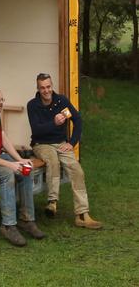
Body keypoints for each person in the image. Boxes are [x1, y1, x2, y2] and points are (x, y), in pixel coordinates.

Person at [27, 73, 102, 229]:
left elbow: (78, 120)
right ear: (38, 88)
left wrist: (72, 142)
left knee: (77, 170)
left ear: (52, 85)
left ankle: (82, 215)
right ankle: (52, 202)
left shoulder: (62, 101)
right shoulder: (33, 105)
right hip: (41, 144)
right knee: (52, 161)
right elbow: (37, 130)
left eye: (48, 86)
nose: (46, 90)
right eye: (42, 88)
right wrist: (53, 123)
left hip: (61, 143)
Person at [0, 87, 45, 246]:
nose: (1, 102)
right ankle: (8, 225)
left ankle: (26, 219)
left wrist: (19, 160)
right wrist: (11, 165)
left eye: (2, 99)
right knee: (8, 174)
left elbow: (3, 137)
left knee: (25, 170)